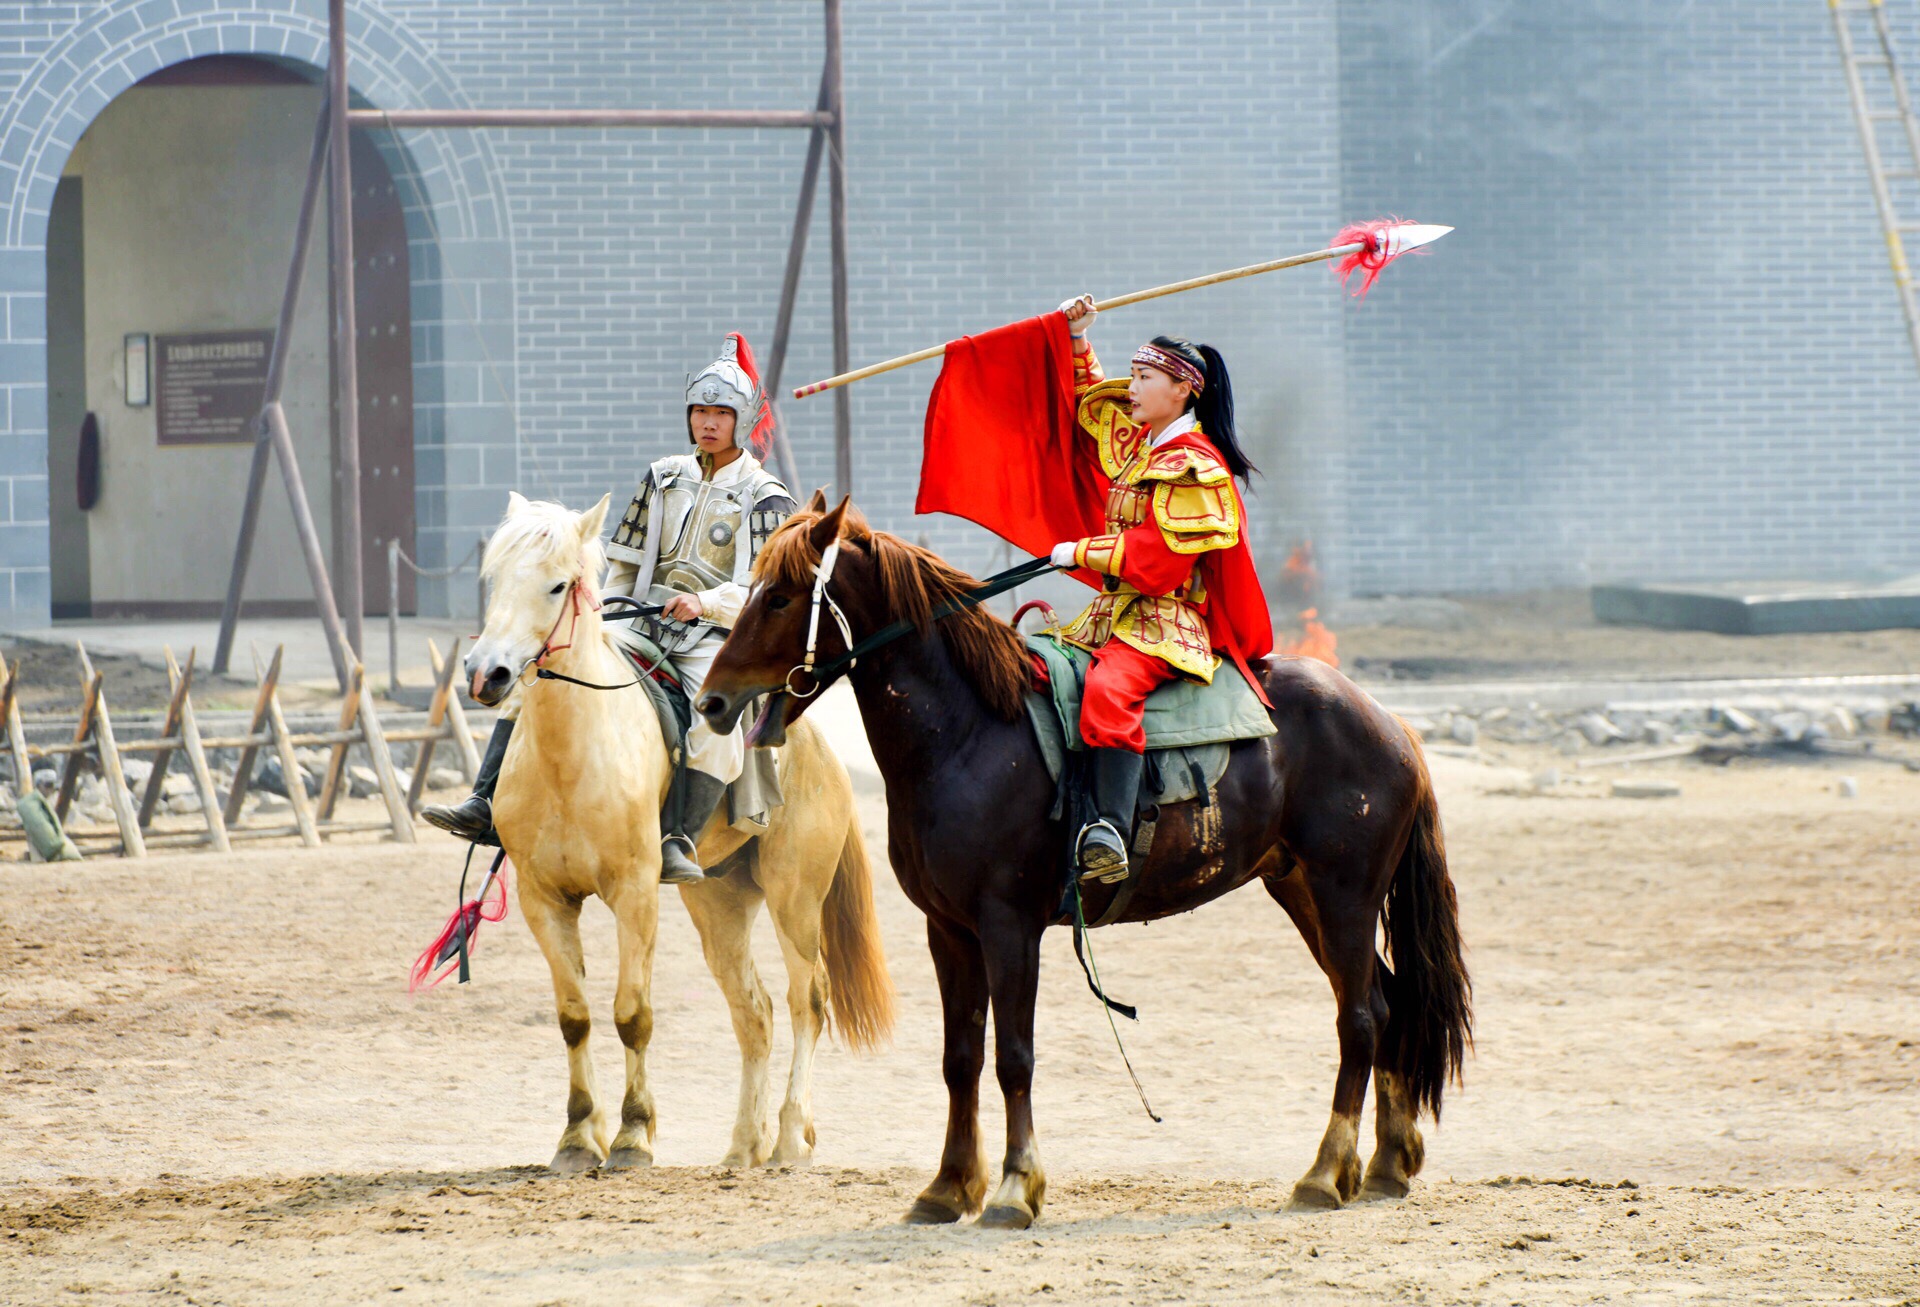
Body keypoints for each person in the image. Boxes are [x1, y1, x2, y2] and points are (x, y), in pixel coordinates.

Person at [423, 334, 796, 883]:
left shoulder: (767, 495)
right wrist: (604, 604)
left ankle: (677, 840)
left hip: (720, 637)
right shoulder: (662, 476)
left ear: (743, 419)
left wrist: (705, 603)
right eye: (700, 411)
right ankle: (484, 801)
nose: (708, 423)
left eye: (721, 413)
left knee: (713, 727)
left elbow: (770, 590)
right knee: (542, 675)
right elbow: (623, 561)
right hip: (640, 621)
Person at [1047, 294, 1273, 886]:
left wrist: (1079, 552)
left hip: (1165, 621)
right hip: (1113, 614)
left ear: (1183, 389)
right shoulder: (1149, 447)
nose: (1131, 387)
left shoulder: (1192, 464)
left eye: (1143, 377)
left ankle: (1110, 834)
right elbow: (1096, 407)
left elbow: (1159, 566)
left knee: (1106, 690)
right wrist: (1076, 338)